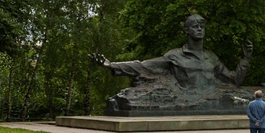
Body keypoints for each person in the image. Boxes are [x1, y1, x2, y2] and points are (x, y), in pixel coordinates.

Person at [90, 14, 251, 91]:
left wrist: (245, 59)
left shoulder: (212, 57)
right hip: (184, 100)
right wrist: (111, 65)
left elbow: (233, 80)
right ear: (186, 30)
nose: (200, 29)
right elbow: (143, 66)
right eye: (195, 26)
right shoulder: (175, 56)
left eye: (202, 26)